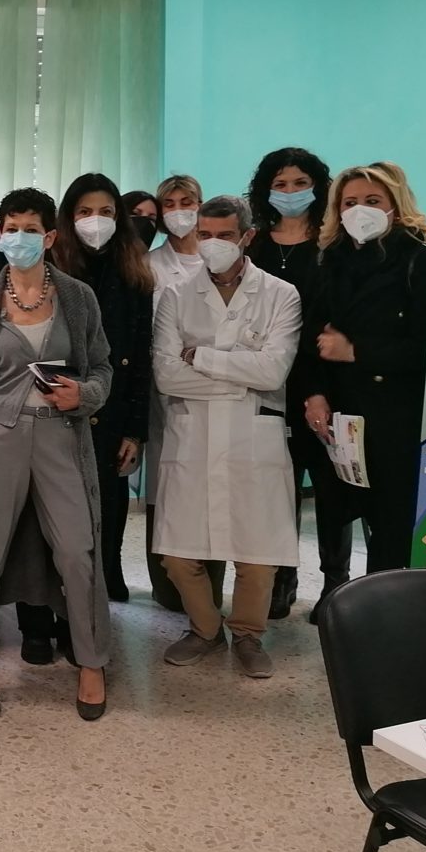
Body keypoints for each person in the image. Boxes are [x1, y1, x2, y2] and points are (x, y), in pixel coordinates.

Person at [0, 189, 114, 721]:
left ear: (49, 237)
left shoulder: (77, 297)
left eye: (30, 229)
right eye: (11, 228)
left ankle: (91, 660)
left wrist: (84, 395)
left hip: (60, 435)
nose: (19, 238)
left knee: (76, 551)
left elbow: (102, 367)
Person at [153, 195, 302, 680]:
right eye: (205, 235)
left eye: (224, 235)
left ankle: (248, 635)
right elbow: (166, 376)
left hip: (250, 440)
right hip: (193, 437)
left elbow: (274, 370)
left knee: (257, 557)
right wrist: (242, 377)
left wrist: (202, 357)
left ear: (247, 237)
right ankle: (206, 629)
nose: (212, 244)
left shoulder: (281, 294)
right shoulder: (175, 295)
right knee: (179, 556)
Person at [302, 162, 426, 578]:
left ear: (396, 206)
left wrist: (356, 351)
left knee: (391, 527)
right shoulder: (329, 262)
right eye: (350, 202)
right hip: (341, 417)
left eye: (373, 200)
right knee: (336, 510)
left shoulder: (422, 262)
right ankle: (337, 593)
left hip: (395, 419)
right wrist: (314, 394)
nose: (360, 209)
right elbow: (312, 338)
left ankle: (386, 603)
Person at [245, 147, 353, 621]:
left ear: (318, 187)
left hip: (328, 386)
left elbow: (337, 319)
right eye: (280, 184)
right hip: (267, 387)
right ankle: (281, 580)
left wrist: (318, 386)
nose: (290, 192)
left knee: (332, 491)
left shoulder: (336, 243)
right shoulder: (253, 245)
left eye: (300, 183)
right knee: (276, 492)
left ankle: (336, 584)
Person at [51, 173, 154, 603]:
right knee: (59, 509)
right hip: (57, 406)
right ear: (69, 217)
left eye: (106, 212)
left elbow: (140, 357)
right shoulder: (52, 267)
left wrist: (135, 431)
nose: (96, 220)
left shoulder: (134, 272)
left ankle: (105, 580)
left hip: (112, 412)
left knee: (108, 506)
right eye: (85, 212)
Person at [143, 174, 222, 613]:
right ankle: (168, 586)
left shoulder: (225, 262)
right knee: (167, 487)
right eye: (169, 204)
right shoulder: (150, 265)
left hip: (221, 393)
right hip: (167, 396)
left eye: (186, 202)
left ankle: (210, 584)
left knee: (213, 491)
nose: (178, 211)